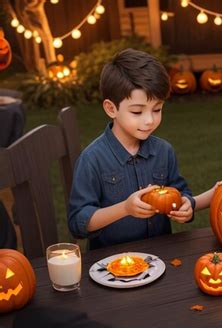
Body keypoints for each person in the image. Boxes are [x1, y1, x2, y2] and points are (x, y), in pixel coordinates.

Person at [68, 48, 194, 249]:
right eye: (137, 111)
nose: (149, 120)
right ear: (111, 109)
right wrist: (124, 209)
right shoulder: (92, 159)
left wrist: (187, 205)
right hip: (111, 266)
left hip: (160, 258)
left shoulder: (164, 151)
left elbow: (179, 191)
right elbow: (77, 223)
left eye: (157, 109)